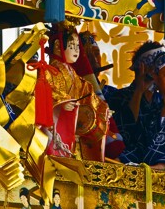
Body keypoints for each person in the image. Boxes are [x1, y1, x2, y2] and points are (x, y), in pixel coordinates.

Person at [41, 22, 115, 160]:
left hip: (73, 129)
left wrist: (102, 108)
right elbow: (43, 95)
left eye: (77, 47)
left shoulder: (73, 74)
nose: (76, 50)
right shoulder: (48, 71)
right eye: (72, 46)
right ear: (58, 46)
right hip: (54, 129)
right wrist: (61, 102)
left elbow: (87, 94)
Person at [102, 41, 165, 163]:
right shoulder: (120, 96)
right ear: (143, 68)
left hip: (155, 159)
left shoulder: (160, 100)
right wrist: (139, 92)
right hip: (126, 158)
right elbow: (127, 127)